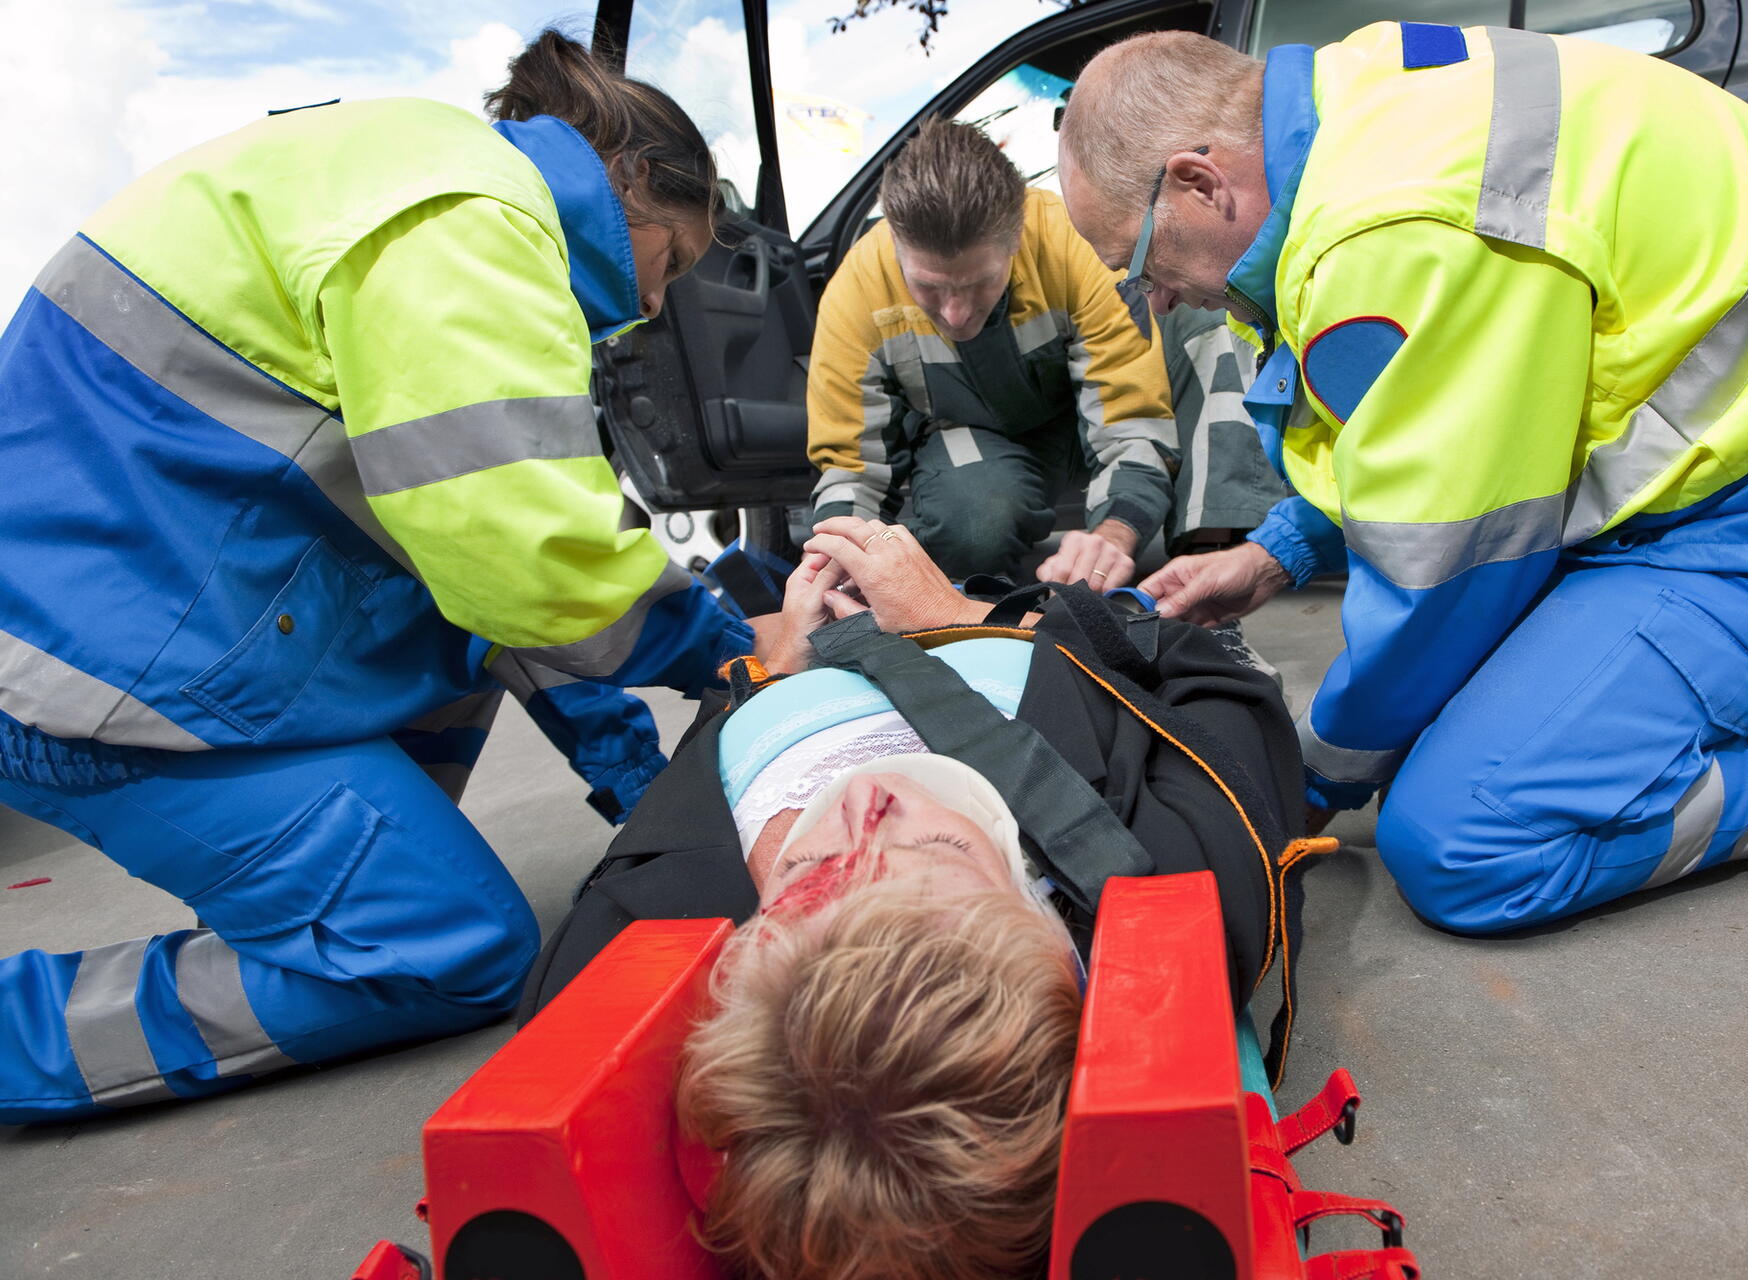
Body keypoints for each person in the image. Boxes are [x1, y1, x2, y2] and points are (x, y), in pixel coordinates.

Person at [0, 32, 755, 1124]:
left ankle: (339, 875)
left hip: (137, 603)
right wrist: (719, 639)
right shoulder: (474, 218)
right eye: (672, 262)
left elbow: (475, 576)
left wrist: (650, 787)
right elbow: (526, 556)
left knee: (448, 622)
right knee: (448, 945)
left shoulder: (429, 172)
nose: (652, 305)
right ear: (630, 180)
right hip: (69, 660)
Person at [1057, 24, 1748, 933]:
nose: (1149, 298)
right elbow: (1441, 430)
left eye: (1137, 260)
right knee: (1446, 726)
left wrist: (1311, 779)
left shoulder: (1391, 229)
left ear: (1199, 180)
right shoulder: (1351, 104)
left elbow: (1449, 573)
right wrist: (1276, 554)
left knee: (1467, 841)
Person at [517, 517, 1319, 1280]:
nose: (867, 804)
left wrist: (769, 669)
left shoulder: (632, 939)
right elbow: (1219, 683)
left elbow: (676, 787)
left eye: (810, 878)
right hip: (1002, 613)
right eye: (938, 849)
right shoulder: (1181, 876)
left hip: (800, 647)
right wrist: (964, 616)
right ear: (1045, 938)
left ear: (748, 951)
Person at [805, 118, 1285, 589]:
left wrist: (1114, 536)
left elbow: (1129, 421)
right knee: (974, 522)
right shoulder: (857, 290)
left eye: (978, 283)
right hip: (977, 436)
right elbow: (853, 465)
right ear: (896, 245)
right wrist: (831, 570)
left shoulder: (1070, 243)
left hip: (1084, 421)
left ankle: (1206, 562)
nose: (954, 314)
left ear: (1015, 239)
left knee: (1211, 322)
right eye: (929, 287)